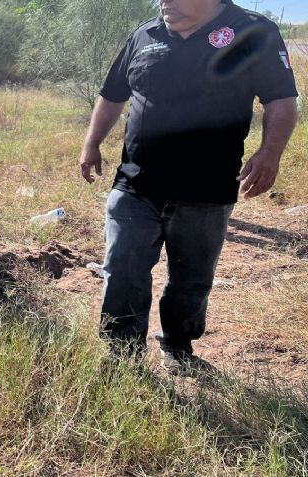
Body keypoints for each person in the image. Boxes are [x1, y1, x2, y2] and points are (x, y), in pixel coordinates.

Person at [78, 0, 298, 374]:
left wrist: (270, 152)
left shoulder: (252, 32)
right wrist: (91, 142)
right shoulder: (144, 35)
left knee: (191, 278)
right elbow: (113, 94)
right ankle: (121, 352)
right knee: (123, 269)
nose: (165, 1)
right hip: (136, 182)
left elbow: (281, 98)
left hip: (206, 189)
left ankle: (177, 346)